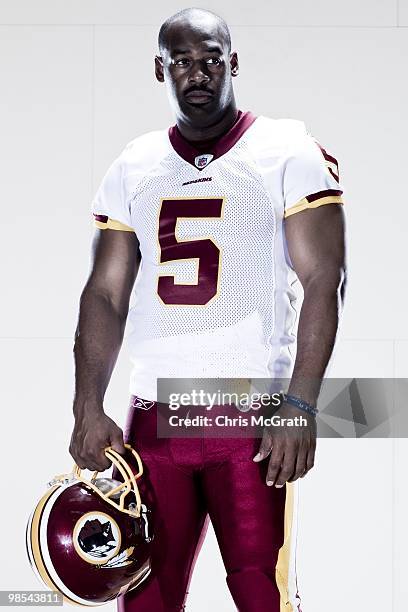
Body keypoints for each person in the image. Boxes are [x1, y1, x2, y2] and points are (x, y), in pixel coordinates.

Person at [69, 7, 347, 612]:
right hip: (156, 416)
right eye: (182, 62)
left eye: (211, 59)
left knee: (261, 594)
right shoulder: (134, 164)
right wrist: (87, 405)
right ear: (160, 70)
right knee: (143, 598)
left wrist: (301, 403)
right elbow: (105, 293)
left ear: (234, 63)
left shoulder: (286, 149)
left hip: (249, 415)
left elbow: (325, 278)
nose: (198, 74)